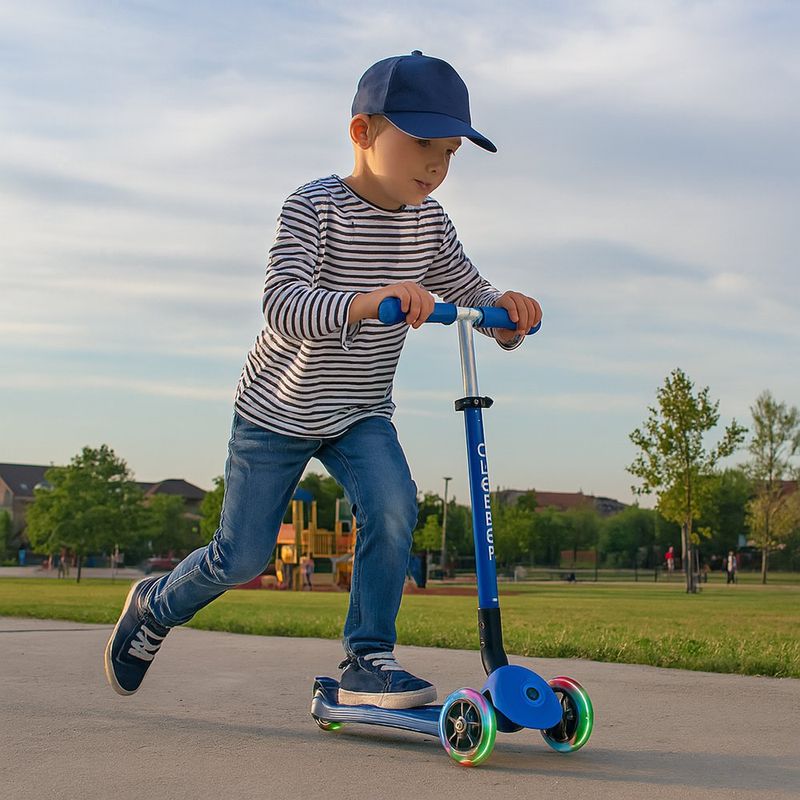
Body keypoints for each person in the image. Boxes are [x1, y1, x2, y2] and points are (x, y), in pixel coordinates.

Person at [104, 51, 542, 710]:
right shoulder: (314, 207)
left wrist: (507, 316)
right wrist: (367, 301)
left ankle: (368, 658)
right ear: (363, 132)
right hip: (276, 411)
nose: (436, 166)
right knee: (241, 557)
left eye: (449, 153)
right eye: (423, 143)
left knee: (394, 509)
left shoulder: (430, 225)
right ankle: (155, 605)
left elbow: (469, 292)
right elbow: (282, 303)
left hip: (360, 412)